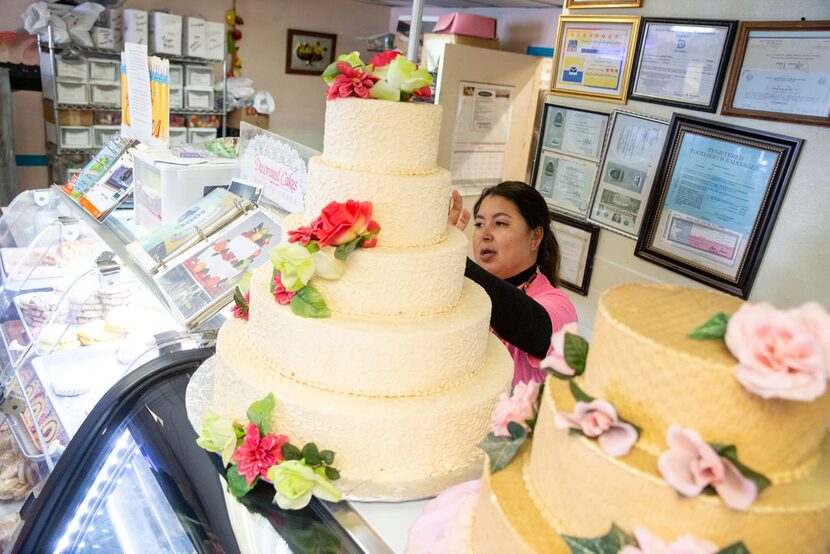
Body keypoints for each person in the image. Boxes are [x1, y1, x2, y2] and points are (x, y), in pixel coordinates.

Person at [448, 182, 577, 385]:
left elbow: (531, 327)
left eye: (500, 224)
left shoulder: (559, 306)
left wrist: (450, 258)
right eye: (479, 224)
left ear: (535, 237)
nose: (485, 234)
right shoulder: (462, 291)